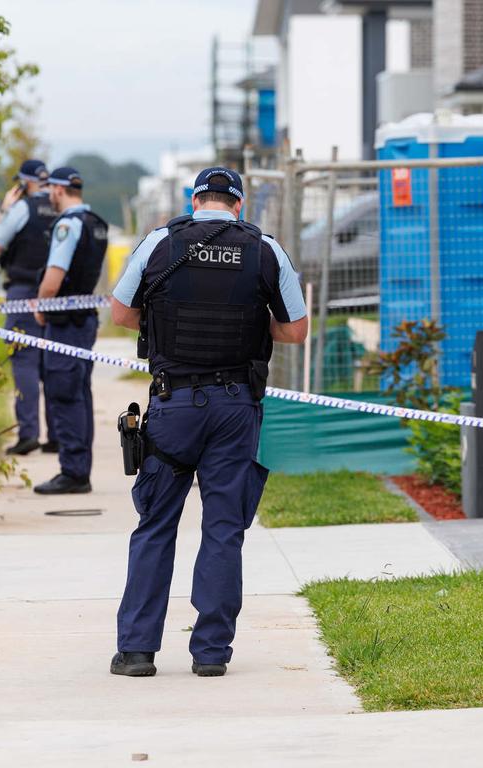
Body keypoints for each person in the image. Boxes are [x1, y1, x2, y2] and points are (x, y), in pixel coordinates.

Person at [108, 167, 308, 677]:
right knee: (223, 529)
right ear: (238, 205)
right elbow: (295, 330)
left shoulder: (159, 241)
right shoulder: (266, 249)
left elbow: (120, 315)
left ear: (195, 199)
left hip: (173, 406)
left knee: (155, 524)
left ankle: (136, 651)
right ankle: (212, 653)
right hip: (236, 406)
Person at [32, 167, 109, 495]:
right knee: (79, 393)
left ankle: (74, 472)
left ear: (59, 191)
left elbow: (53, 279)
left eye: (51, 189)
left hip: (64, 321)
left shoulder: (67, 225)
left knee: (64, 393)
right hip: (84, 318)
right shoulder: (98, 224)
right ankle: (79, 468)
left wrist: (40, 305)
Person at [0, 159, 59, 456]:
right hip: (58, 295)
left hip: (23, 290)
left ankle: (29, 434)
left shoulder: (22, 208)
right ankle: (57, 435)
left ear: (24, 183)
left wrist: (4, 209)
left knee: (24, 361)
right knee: (53, 363)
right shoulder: (61, 206)